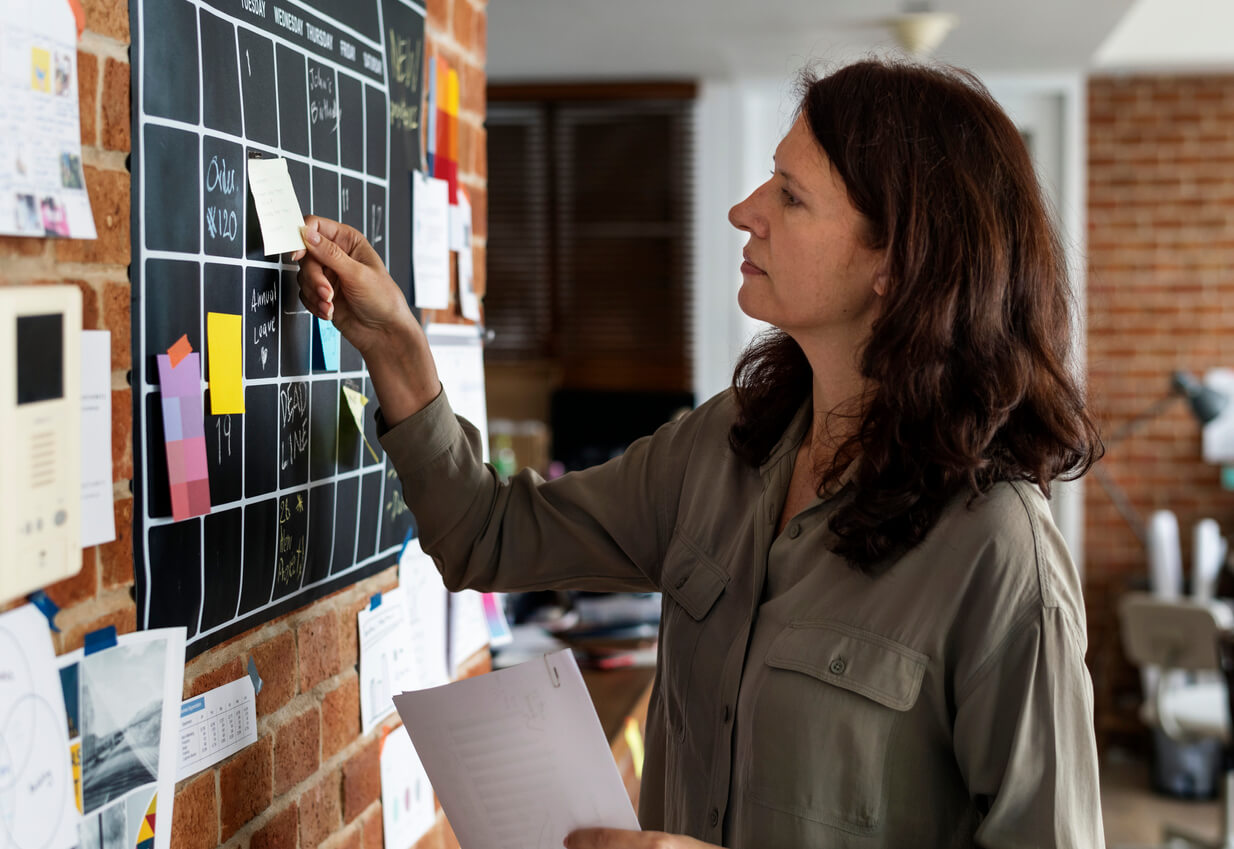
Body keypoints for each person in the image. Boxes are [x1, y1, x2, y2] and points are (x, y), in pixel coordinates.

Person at [293, 58, 1105, 848]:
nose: (744, 210)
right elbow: (489, 532)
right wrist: (397, 348)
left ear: (895, 262)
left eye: (791, 197)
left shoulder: (1001, 557)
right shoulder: (725, 445)